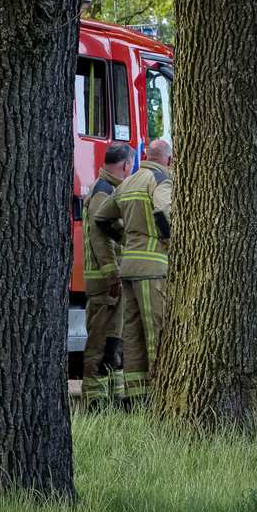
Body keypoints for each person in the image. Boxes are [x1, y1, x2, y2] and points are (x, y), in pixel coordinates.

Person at [94, 139, 173, 402]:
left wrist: (126, 239)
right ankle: (161, 396)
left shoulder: (128, 181)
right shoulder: (161, 178)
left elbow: (102, 218)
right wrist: (171, 240)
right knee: (156, 333)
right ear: (169, 160)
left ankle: (136, 399)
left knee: (132, 336)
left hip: (128, 268)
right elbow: (164, 210)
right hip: (153, 268)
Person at [81, 142, 134, 406]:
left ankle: (114, 399)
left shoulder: (108, 189)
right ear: (126, 165)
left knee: (114, 341)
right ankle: (94, 401)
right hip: (104, 283)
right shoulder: (103, 192)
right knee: (100, 342)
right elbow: (100, 239)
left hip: (109, 281)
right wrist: (113, 274)